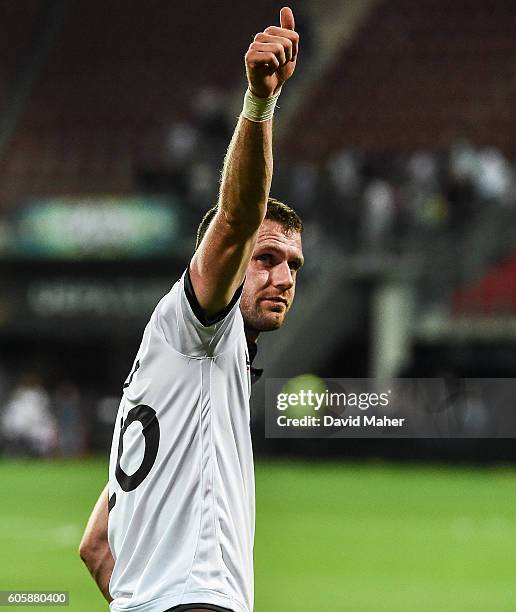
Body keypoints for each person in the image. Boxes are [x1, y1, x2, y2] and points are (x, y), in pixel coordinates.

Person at [79, 7, 303, 612]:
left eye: (293, 266)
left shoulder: (167, 377)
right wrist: (259, 103)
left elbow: (97, 547)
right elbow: (235, 219)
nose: (282, 276)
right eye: (266, 258)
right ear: (226, 264)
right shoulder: (200, 333)